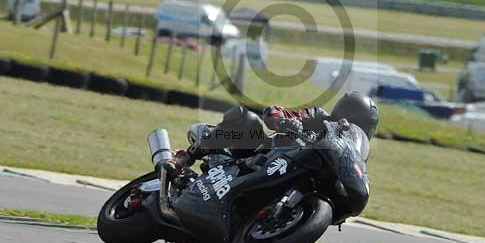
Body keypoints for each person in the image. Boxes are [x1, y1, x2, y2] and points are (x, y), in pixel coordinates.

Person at [157, 91, 379, 178]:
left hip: (293, 174)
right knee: (247, 119)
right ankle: (184, 158)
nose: (363, 132)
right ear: (346, 115)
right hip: (262, 153)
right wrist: (283, 119)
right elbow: (276, 111)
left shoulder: (353, 156)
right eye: (363, 125)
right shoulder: (319, 118)